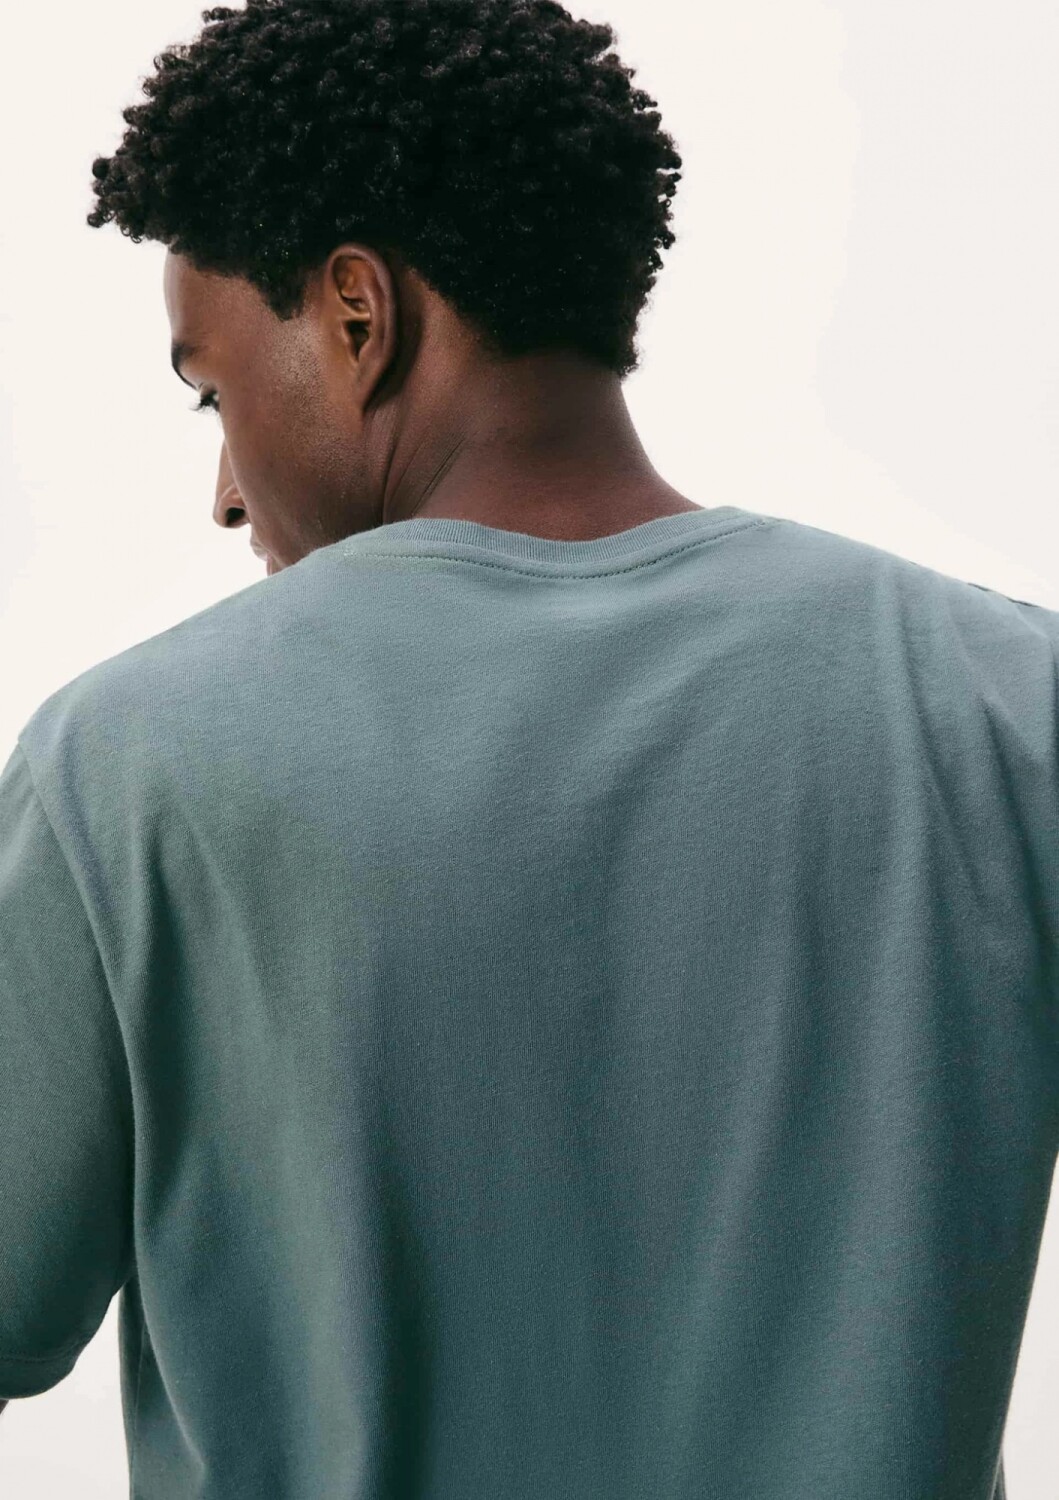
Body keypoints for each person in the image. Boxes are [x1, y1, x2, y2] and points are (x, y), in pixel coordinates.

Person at [0, 2, 1056, 1497]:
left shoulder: (124, 767)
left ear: (357, 315)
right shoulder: (1010, 705)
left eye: (214, 393)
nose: (227, 490)